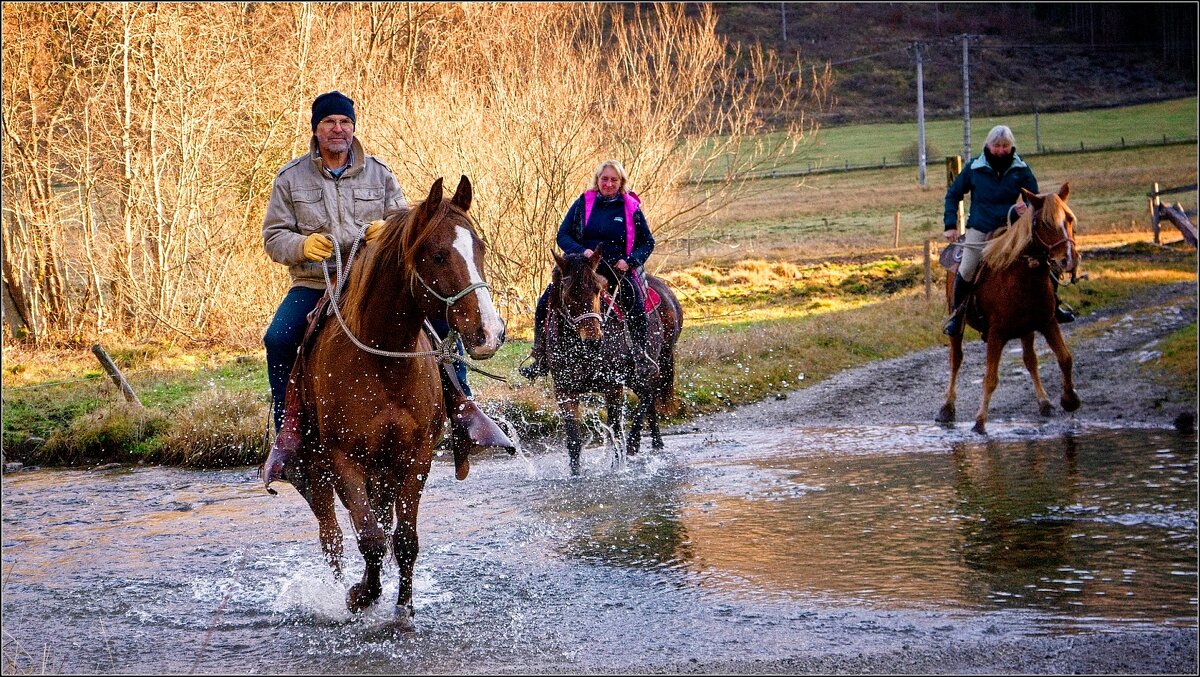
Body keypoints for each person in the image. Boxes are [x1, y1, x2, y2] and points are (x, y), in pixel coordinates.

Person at [261, 90, 510, 491]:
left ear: (353, 127)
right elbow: (274, 237)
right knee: (278, 338)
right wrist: (301, 246)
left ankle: (463, 408)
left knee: (441, 323)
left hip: (373, 278)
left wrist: (386, 232)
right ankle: (288, 433)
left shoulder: (379, 173)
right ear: (316, 129)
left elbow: (408, 223)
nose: (338, 129)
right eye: (329, 123)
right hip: (317, 280)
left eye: (345, 122)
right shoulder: (290, 178)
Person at [520, 159, 656, 380]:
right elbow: (562, 235)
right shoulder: (583, 202)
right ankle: (540, 357)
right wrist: (581, 251)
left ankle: (640, 357)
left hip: (616, 269)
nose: (609, 183)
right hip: (580, 267)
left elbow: (647, 242)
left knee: (636, 303)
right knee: (544, 302)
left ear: (621, 182)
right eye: (605, 179)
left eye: (614, 179)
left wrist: (630, 261)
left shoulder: (631, 207)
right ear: (597, 180)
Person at [941, 124, 1075, 337]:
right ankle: (958, 316)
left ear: (1011, 146)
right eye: (996, 146)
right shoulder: (974, 168)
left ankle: (1053, 307)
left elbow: (1037, 201)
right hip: (981, 227)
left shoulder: (1021, 168)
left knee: (1044, 258)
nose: (1000, 150)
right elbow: (953, 194)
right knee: (966, 268)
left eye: (1005, 146)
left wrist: (1028, 209)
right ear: (988, 145)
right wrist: (950, 225)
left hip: (1012, 228)